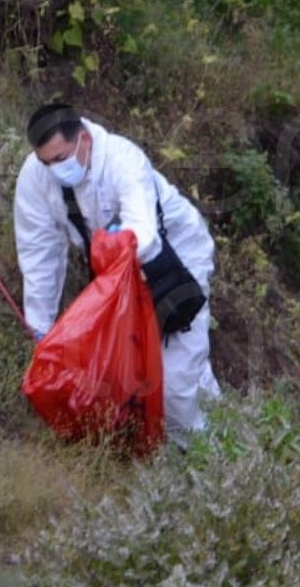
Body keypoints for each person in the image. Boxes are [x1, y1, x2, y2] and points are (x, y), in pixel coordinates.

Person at [14, 104, 221, 435]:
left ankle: (203, 462)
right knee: (148, 368)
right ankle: (221, 428)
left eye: (60, 158)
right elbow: (39, 251)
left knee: (175, 377)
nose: (54, 169)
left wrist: (115, 243)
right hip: (116, 273)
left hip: (175, 257)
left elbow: (145, 233)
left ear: (84, 139)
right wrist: (41, 328)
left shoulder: (123, 160)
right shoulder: (36, 177)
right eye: (45, 162)